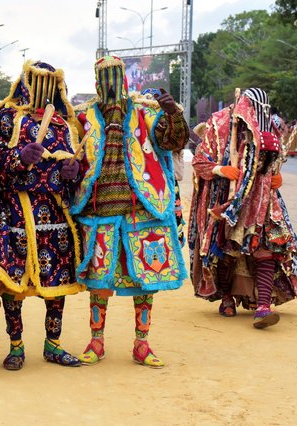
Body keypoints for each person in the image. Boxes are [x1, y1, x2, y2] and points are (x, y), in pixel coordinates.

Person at [70, 56, 188, 368]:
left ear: (124, 79)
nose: (110, 84)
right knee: (99, 282)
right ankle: (96, 341)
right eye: (104, 78)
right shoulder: (82, 118)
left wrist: (173, 113)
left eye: (115, 77)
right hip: (99, 213)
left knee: (146, 280)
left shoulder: (146, 111)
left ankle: (142, 343)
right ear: (96, 82)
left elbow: (172, 141)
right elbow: (71, 157)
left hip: (143, 209)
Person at [189, 88, 297, 328]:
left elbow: (271, 161)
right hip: (228, 199)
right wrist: (220, 170)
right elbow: (199, 162)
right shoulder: (219, 123)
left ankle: (262, 308)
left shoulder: (270, 126)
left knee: (267, 247)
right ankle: (227, 297)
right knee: (227, 250)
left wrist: (276, 177)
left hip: (264, 201)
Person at [0, 61, 84, 370]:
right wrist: (17, 156)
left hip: (56, 209)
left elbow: (82, 163)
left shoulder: (66, 124)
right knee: (14, 280)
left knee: (57, 279)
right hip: (17, 206)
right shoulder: (7, 116)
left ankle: (53, 344)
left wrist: (74, 172)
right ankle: (16, 346)